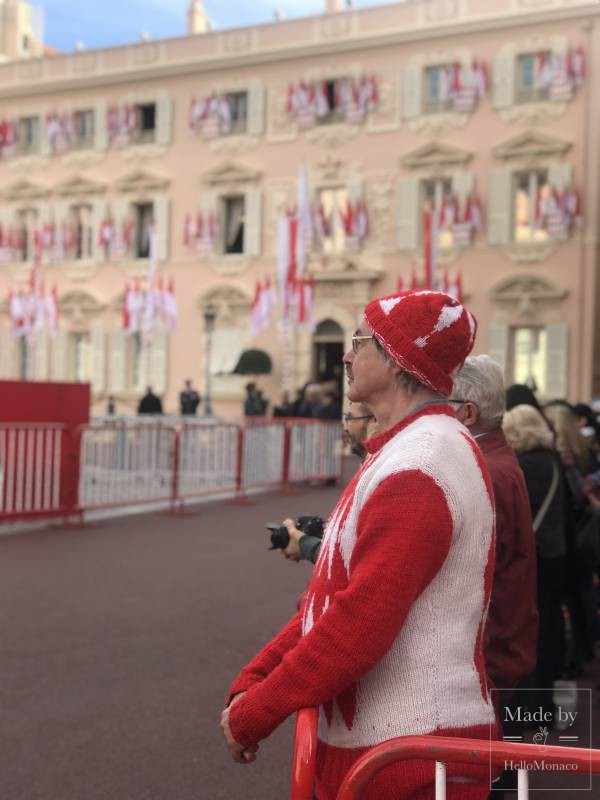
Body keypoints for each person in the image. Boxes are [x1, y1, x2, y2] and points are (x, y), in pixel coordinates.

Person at [221, 290, 497, 800]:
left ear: (397, 360)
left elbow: (360, 622)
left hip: (406, 757)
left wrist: (260, 706)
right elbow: (330, 605)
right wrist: (256, 680)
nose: (346, 355)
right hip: (392, 750)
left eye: (359, 341)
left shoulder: (423, 460)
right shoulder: (410, 450)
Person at [451, 356, 538, 799]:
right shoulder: (495, 459)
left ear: (467, 412)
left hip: (492, 655)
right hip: (503, 647)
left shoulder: (487, 468)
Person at [503, 404, 567, 721]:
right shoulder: (555, 462)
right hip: (556, 554)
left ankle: (529, 707)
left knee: (526, 629)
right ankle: (547, 703)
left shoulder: (521, 465)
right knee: (552, 627)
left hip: (531, 558)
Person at [281, 402, 377, 564]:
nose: (345, 428)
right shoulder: (375, 465)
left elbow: (362, 557)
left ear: (374, 421)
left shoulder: (383, 472)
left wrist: (306, 545)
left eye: (350, 418)